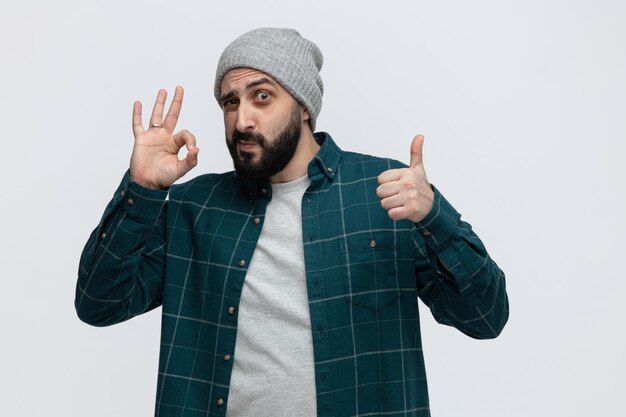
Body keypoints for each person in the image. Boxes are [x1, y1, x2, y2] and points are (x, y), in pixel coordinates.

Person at [75, 27, 509, 417]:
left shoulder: (386, 194)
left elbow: (486, 318)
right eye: (231, 102)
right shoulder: (195, 207)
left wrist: (436, 218)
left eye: (261, 96)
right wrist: (143, 189)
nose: (242, 120)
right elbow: (100, 303)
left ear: (303, 105)